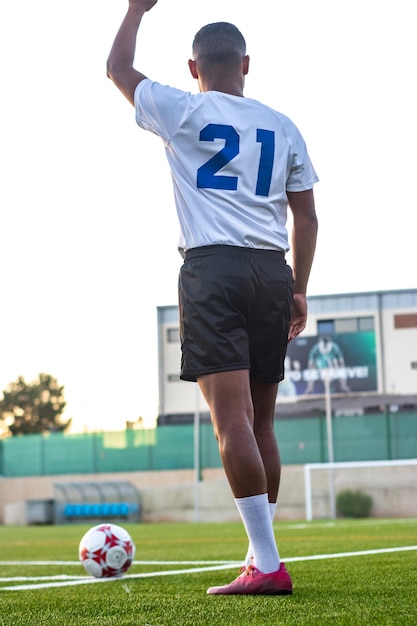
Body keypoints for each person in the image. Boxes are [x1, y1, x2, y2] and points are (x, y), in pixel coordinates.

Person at [107, 0, 318, 595]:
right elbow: (307, 215)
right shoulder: (284, 124)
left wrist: (135, 9)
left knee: (232, 423)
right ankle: (262, 556)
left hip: (213, 270)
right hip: (272, 271)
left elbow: (118, 69)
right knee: (263, 422)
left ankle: (269, 566)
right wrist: (298, 287)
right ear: (246, 63)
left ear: (193, 67)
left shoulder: (182, 108)